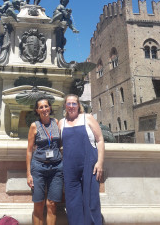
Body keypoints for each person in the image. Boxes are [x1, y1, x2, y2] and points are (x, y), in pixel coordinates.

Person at [58, 94, 104, 225]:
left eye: (74, 103)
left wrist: (100, 162)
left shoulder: (87, 118)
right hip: (70, 168)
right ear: (65, 106)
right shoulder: (61, 123)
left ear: (78, 105)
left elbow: (100, 140)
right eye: (69, 104)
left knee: (91, 201)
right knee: (72, 203)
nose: (71, 106)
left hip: (89, 165)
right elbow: (57, 144)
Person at [26, 98, 63, 225]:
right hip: (39, 168)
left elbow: (60, 145)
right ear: (37, 110)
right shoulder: (34, 126)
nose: (44, 109)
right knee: (39, 204)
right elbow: (29, 151)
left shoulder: (56, 122)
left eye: (46, 106)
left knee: (52, 204)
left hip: (57, 168)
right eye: (41, 107)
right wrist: (28, 174)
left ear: (50, 108)